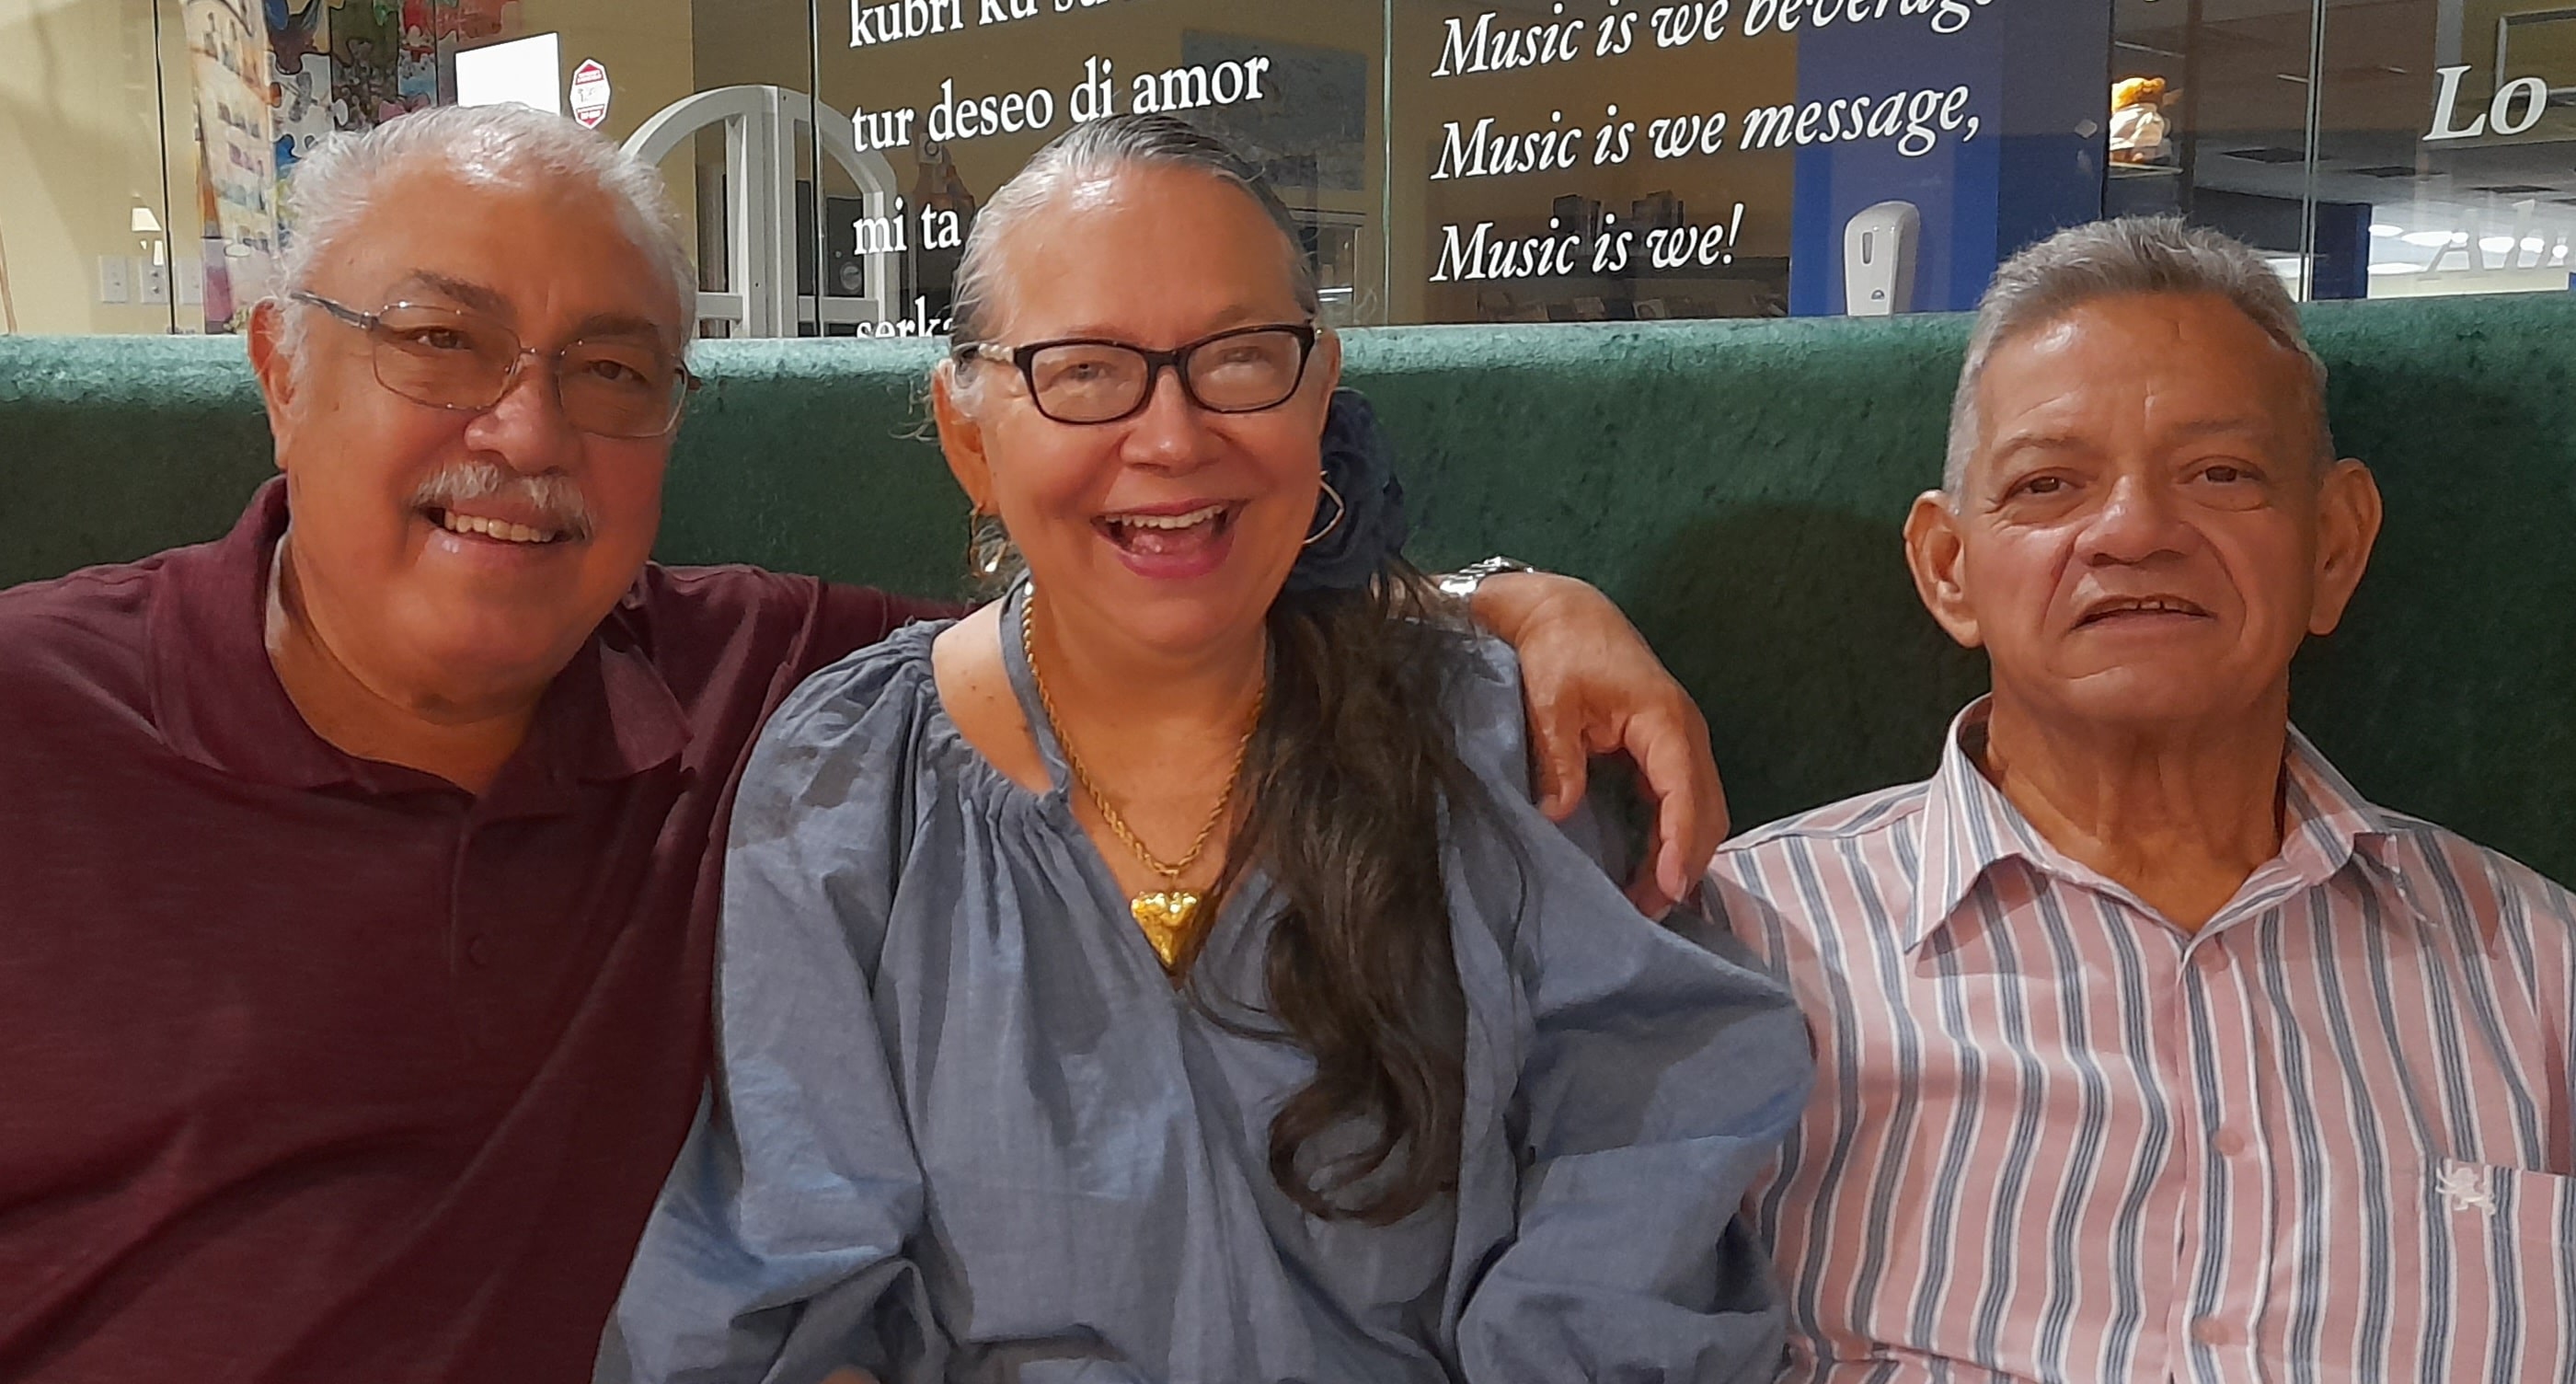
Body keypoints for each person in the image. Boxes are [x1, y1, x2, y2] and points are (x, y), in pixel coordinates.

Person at [0, 104, 1735, 1383]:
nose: (525, 429)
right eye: (439, 340)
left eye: (612, 370)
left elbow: (1154, 592)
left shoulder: (746, 688)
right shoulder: (850, 768)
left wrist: (1507, 603)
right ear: (279, 367)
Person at [604, 115, 1813, 1384]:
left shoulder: (1487, 735)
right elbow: (803, 1277)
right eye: (1083, 371)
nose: (1173, 439)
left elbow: (1639, 1142)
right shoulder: (853, 783)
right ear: (968, 434)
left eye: (1239, 360)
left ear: (1318, 389)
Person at [1708, 217, 2576, 1382]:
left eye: (2220, 474)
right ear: (1948, 569)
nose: (2134, 531)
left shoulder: (2541, 978)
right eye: (2047, 484)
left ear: (2332, 547)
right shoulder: (1742, 948)